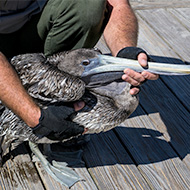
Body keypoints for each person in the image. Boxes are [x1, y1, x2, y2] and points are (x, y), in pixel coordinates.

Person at [0, 0, 158, 139]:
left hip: (30, 26)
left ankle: (63, 111)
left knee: (89, 5)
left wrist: (124, 53)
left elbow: (117, 4)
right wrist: (35, 117)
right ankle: (44, 119)